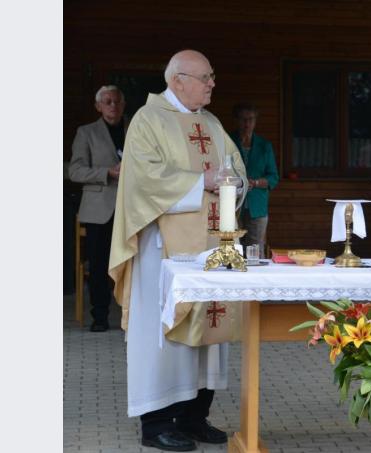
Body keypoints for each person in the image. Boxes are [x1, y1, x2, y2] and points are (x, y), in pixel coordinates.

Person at [109, 49, 247, 452]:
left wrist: (234, 182)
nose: (212, 84)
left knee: (210, 330)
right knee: (163, 331)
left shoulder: (213, 123)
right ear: (178, 80)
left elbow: (235, 168)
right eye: (206, 77)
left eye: (212, 76)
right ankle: (156, 424)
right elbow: (143, 181)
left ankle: (193, 416)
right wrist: (201, 180)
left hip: (211, 245)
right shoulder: (148, 121)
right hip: (163, 249)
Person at [69, 85, 128, 332]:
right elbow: (75, 171)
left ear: (123, 104)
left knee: (132, 263)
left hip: (130, 208)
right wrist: (107, 172)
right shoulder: (87, 132)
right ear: (98, 106)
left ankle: (131, 314)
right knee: (99, 262)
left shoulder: (135, 130)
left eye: (116, 101)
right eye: (107, 101)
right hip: (98, 208)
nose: (112, 105)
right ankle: (100, 316)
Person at [229, 103, 279, 254]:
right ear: (237, 120)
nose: (247, 123)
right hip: (232, 204)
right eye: (243, 119)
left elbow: (273, 177)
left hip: (257, 205)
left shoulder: (264, 146)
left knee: (255, 250)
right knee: (232, 247)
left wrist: (255, 183)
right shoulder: (228, 141)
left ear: (255, 121)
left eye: (251, 119)